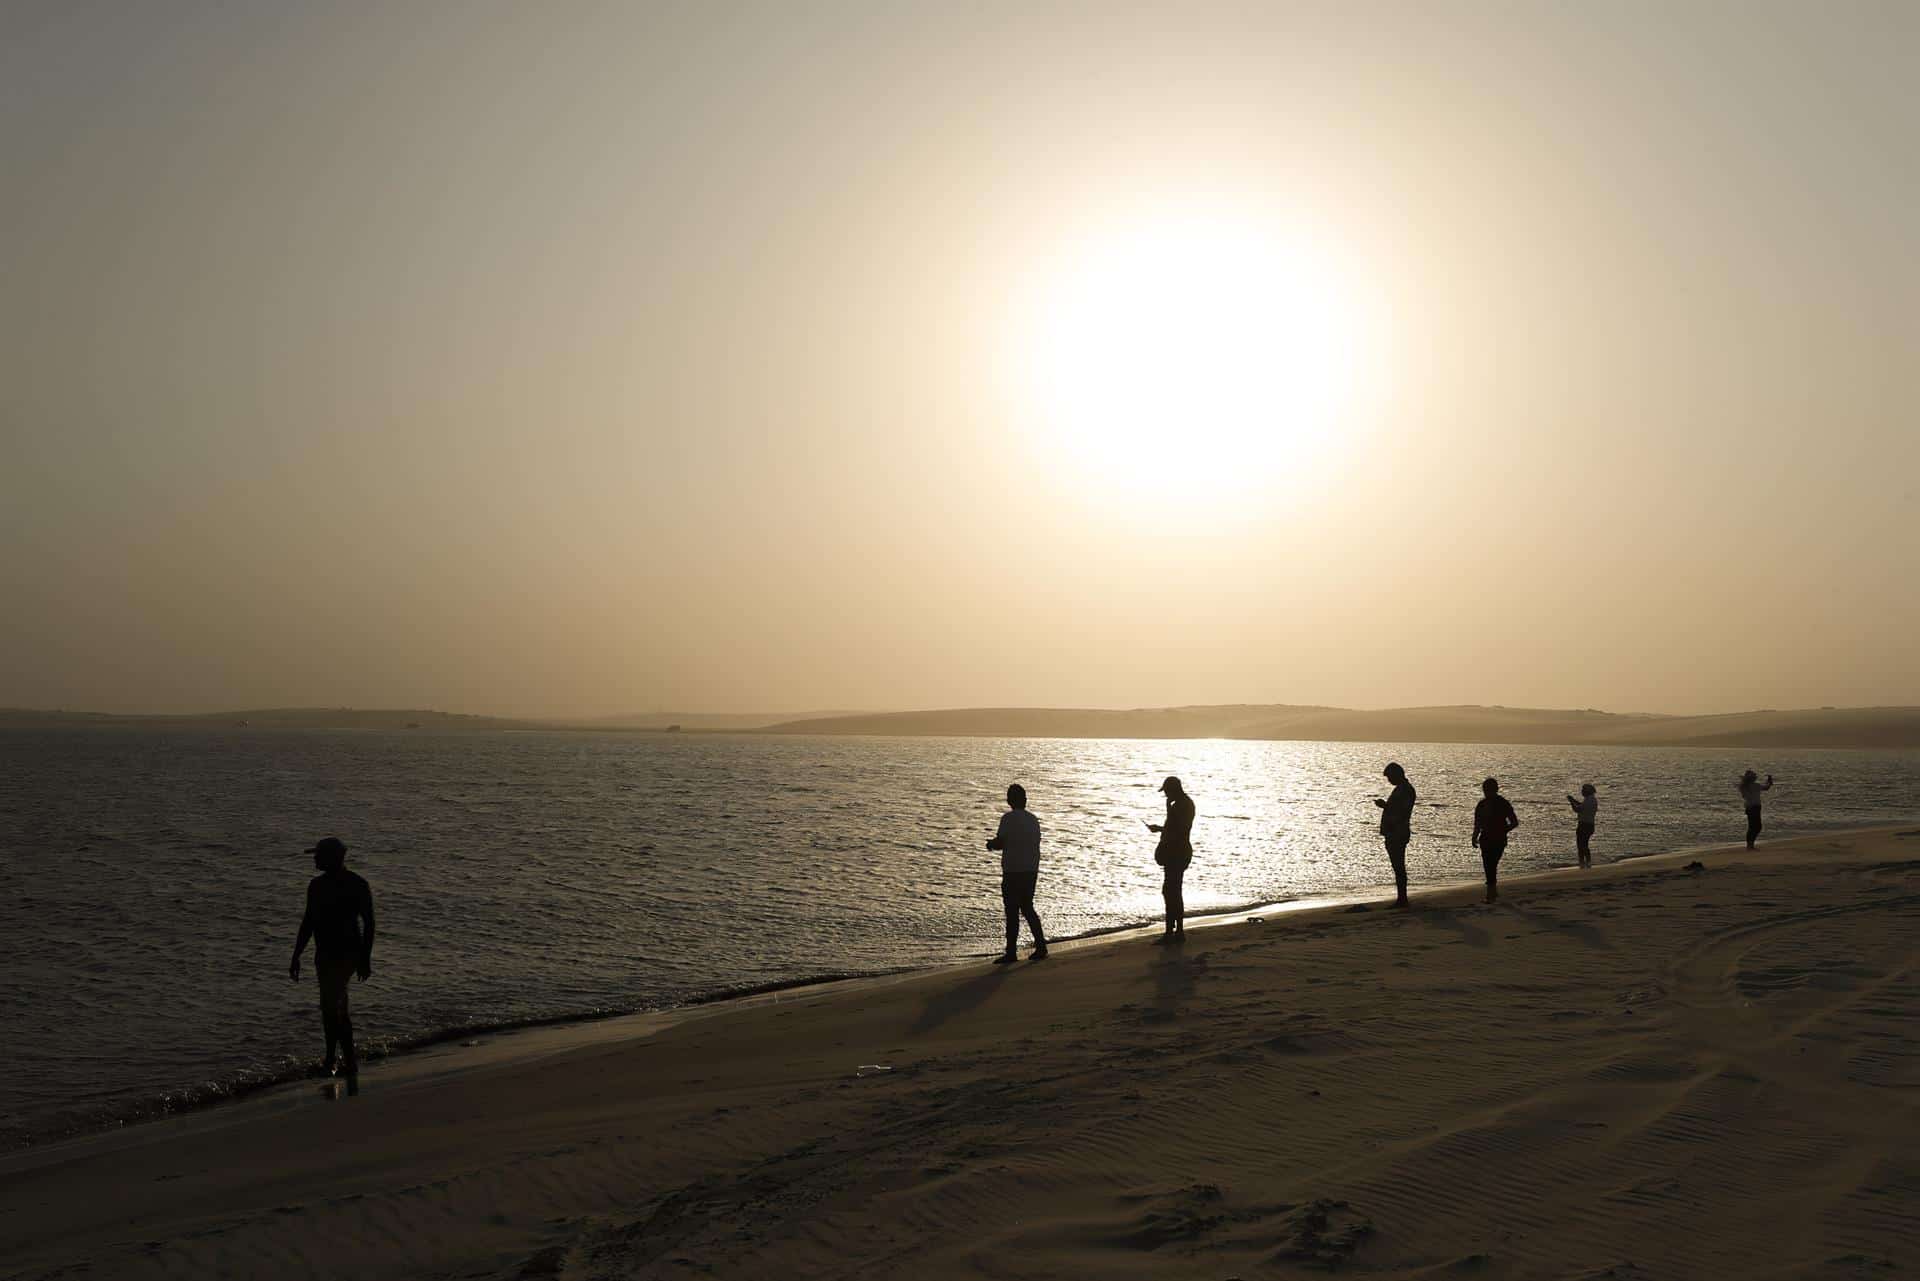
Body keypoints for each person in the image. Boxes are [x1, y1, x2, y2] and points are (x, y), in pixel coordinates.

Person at [289, 837, 376, 1092]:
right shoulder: (315, 886)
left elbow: (369, 923)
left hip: (348, 954)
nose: (314, 860)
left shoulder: (357, 884)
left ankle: (338, 1060)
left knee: (332, 1006)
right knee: (333, 1008)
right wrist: (296, 955)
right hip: (324, 954)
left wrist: (365, 958)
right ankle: (340, 1059)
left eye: (318, 856)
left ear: (332, 858)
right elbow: (308, 922)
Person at [986, 784, 1048, 963]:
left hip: (1013, 870)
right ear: (1025, 800)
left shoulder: (1008, 819)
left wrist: (991, 844)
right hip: (1031, 869)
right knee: (1027, 907)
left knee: (1012, 910)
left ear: (1009, 801)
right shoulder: (1033, 820)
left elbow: (1001, 842)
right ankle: (1041, 946)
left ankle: (1011, 952)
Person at [1146, 776, 1195, 943]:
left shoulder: (1182, 805)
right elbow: (1174, 829)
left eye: (1167, 791)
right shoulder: (1183, 804)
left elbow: (1178, 831)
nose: (1166, 795)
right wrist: (1161, 828)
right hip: (1179, 851)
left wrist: (1165, 820)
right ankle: (1176, 931)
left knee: (1171, 891)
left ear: (1173, 789)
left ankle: (1173, 932)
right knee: (1173, 890)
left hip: (1177, 852)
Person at [1472, 777, 1520, 903]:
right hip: (1488, 838)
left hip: (1496, 838)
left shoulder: (1499, 803)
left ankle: (1492, 892)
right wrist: (1474, 836)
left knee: (1490, 864)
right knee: (1490, 864)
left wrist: (1503, 830)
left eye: (1488, 790)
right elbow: (1477, 823)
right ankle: (1491, 893)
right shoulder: (1486, 804)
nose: (1486, 792)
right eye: (1485, 790)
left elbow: (1514, 822)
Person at [1374, 762, 1416, 907]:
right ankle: (1401, 898)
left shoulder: (1405, 790)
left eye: (1390, 777)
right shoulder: (1402, 789)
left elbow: (1402, 812)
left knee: (1398, 866)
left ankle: (1402, 899)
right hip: (1395, 832)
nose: (1389, 781)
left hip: (1397, 833)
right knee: (1398, 866)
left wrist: (1385, 806)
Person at [1565, 783, 1598, 868]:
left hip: (1583, 825)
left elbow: (1577, 809)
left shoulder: (1588, 800)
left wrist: (1571, 802)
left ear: (1587, 791)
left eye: (1583, 790)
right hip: (1590, 825)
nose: (1582, 792)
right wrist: (1574, 800)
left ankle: (1583, 863)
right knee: (1585, 844)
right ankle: (1588, 862)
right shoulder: (1592, 800)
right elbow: (1582, 806)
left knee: (1580, 845)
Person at [1739, 770, 1773, 848]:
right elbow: (1766, 787)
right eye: (1753, 777)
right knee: (1755, 826)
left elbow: (1766, 787)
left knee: (1754, 826)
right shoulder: (1750, 786)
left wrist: (1769, 782)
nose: (1755, 778)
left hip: (1753, 808)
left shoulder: (1745, 786)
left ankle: (1750, 844)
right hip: (1753, 807)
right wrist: (1769, 782)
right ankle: (1750, 845)